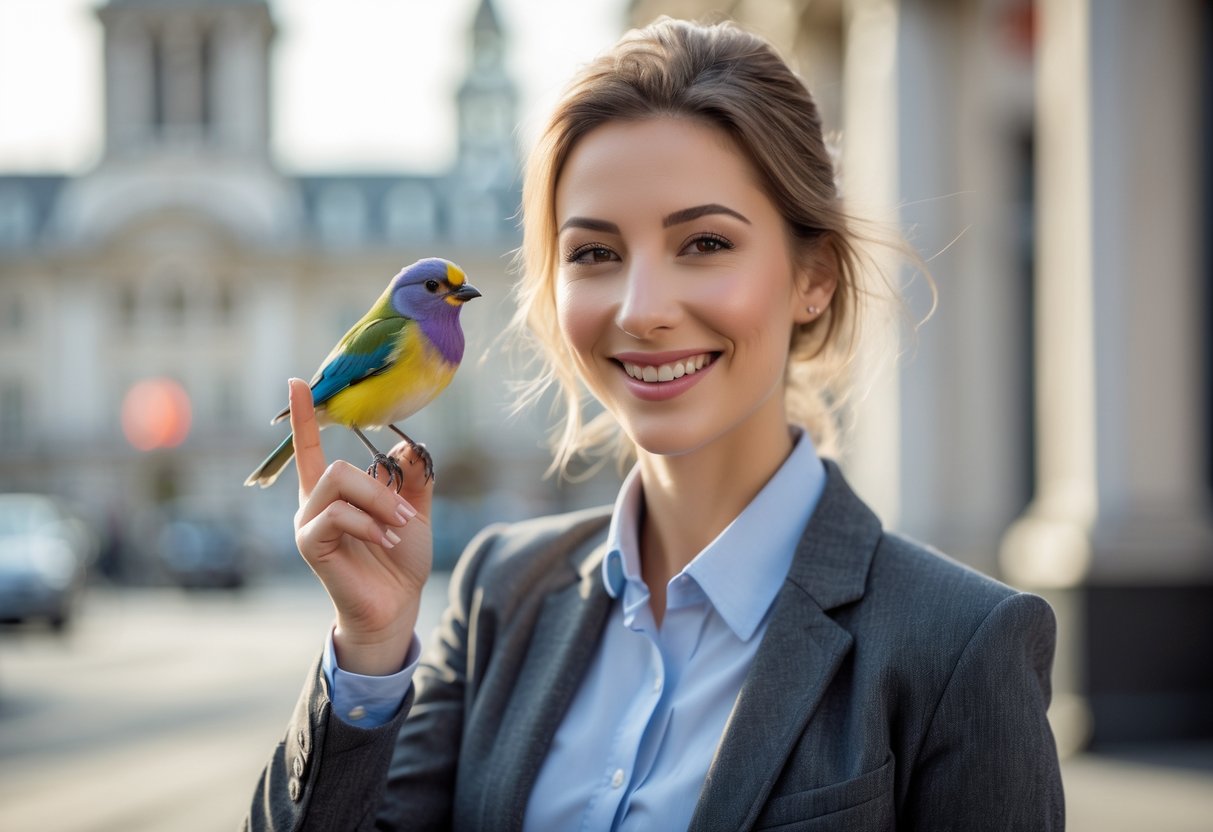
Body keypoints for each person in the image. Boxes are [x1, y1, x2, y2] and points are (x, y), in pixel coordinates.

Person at [246, 17, 1063, 831]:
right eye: (595, 254)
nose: (640, 312)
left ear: (812, 277)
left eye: (704, 242)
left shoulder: (961, 647)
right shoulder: (499, 591)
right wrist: (370, 651)